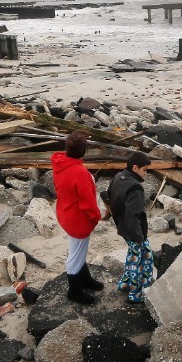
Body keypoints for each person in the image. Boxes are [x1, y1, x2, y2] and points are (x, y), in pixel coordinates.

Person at [51, 130, 103, 304]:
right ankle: (74, 290)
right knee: (76, 254)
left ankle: (85, 278)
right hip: (78, 219)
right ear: (84, 151)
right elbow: (87, 202)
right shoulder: (78, 172)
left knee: (79, 250)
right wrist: (96, 216)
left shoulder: (60, 164)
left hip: (66, 212)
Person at [108, 152, 153, 303]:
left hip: (123, 227)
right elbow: (133, 215)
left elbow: (107, 195)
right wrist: (139, 237)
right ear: (135, 168)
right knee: (141, 260)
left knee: (137, 255)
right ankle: (136, 294)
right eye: (145, 170)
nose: (146, 174)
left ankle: (125, 283)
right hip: (134, 231)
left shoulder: (118, 177)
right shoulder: (135, 188)